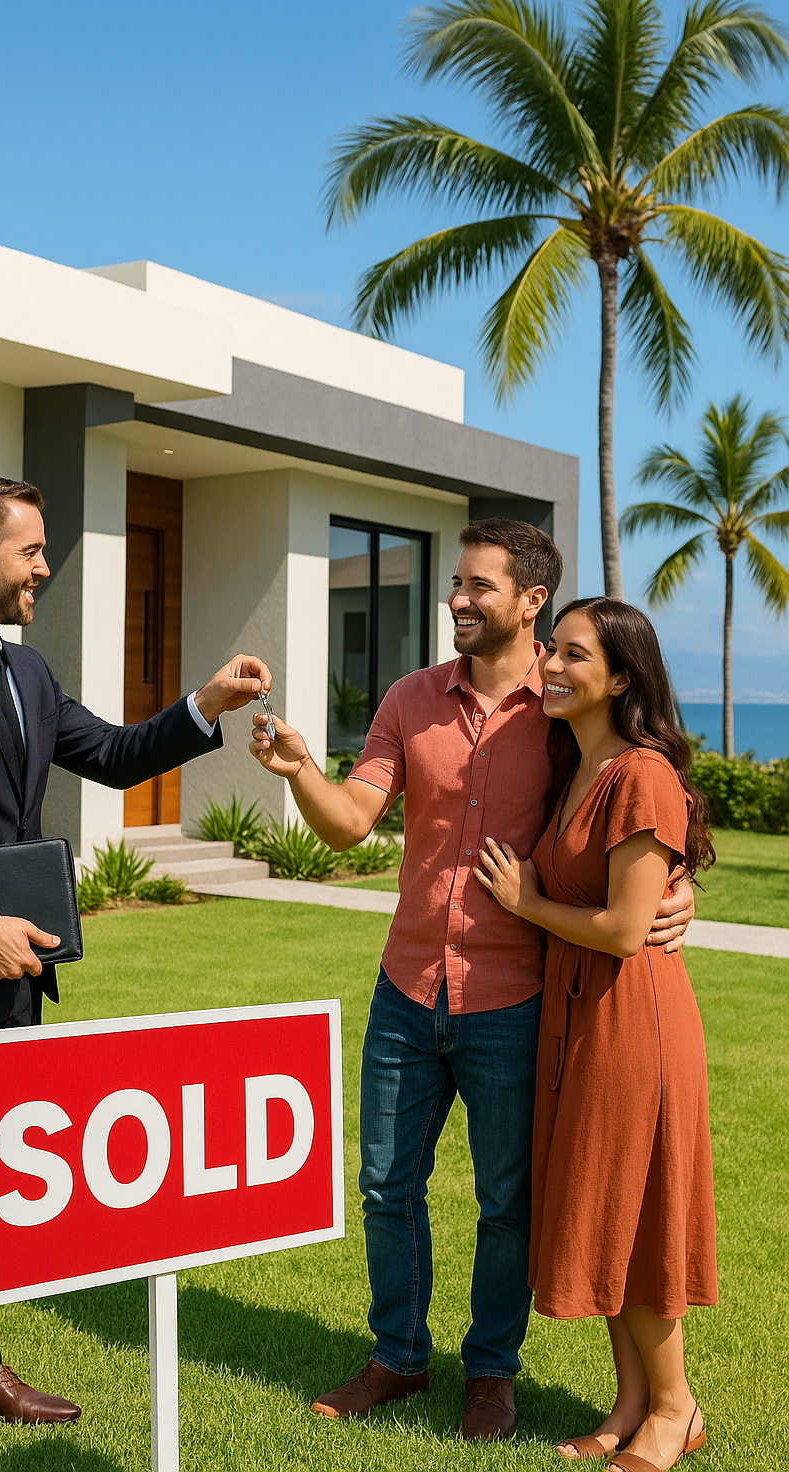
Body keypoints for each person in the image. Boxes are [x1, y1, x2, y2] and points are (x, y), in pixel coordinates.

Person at [0, 475, 271, 1472]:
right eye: (31, 550)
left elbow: (115, 756)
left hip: (11, 982)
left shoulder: (24, 674)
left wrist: (204, 702)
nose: (44, 567)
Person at [248, 518, 694, 1441]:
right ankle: (398, 1357)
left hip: (517, 1001)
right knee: (384, 1186)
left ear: (531, 601)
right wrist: (299, 773)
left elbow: (639, 790)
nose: (456, 598)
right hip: (407, 988)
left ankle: (491, 1372)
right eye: (457, 583)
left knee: (506, 1202)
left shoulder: (569, 707)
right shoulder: (410, 699)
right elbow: (349, 821)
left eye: (478, 586)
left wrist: (676, 886)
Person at [475, 597, 716, 1471]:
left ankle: (676, 1409)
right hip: (579, 1014)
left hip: (630, 1020)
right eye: (552, 651)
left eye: (575, 655)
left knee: (634, 1213)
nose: (552, 666)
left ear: (621, 677)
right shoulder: (575, 760)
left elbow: (623, 927)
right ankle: (631, 1404)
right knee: (605, 1213)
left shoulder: (639, 774)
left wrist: (526, 902)